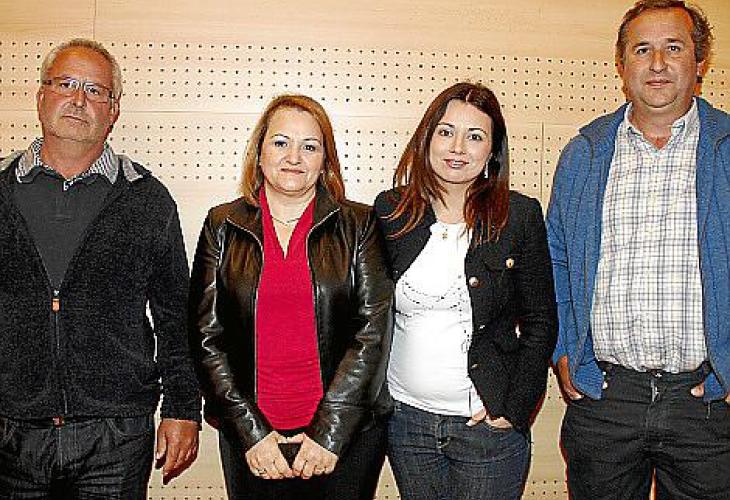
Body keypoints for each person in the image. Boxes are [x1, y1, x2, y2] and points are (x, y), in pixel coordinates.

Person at [0, 39, 201, 498]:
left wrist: (183, 408)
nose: (78, 99)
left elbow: (175, 317)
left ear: (113, 110)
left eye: (95, 90)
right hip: (10, 434)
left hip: (116, 437)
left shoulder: (147, 199)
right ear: (41, 96)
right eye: (65, 84)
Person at [547, 1, 730, 498]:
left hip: (707, 400)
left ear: (700, 62)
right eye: (642, 49)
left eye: (674, 48)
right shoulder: (585, 153)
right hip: (605, 397)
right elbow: (556, 260)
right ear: (622, 64)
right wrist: (564, 350)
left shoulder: (726, 148)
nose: (657, 63)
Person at [188, 94, 393, 500]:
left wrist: (329, 433)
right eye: (281, 142)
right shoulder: (222, 224)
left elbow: (373, 331)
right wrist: (251, 433)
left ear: (325, 160)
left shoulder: (359, 223)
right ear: (259, 151)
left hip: (344, 440)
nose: (294, 157)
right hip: (254, 443)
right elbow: (205, 336)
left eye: (309, 146)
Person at [374, 82, 558, 500]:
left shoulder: (519, 216)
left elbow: (542, 321)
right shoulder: (391, 211)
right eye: (446, 132)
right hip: (407, 424)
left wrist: (514, 408)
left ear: (492, 150)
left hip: (486, 429)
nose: (458, 147)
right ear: (427, 138)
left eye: (475, 136)